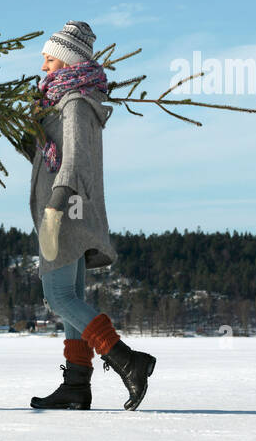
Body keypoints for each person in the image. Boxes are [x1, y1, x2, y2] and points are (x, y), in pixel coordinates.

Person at [17, 21, 156, 411]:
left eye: (48, 60)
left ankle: (129, 360)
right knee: (72, 296)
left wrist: (53, 209)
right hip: (67, 211)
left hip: (65, 214)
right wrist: (25, 137)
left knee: (58, 296)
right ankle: (77, 386)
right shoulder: (65, 102)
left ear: (66, 60)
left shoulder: (75, 102)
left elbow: (74, 162)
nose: (43, 67)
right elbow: (49, 160)